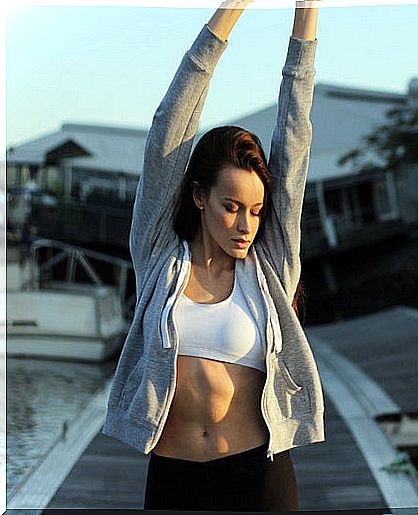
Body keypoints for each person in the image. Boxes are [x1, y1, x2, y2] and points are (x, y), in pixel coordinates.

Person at [100, 0, 325, 511]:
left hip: (257, 476)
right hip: (173, 476)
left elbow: (294, 136)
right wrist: (232, 11)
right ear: (199, 197)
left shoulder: (269, 266)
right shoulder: (159, 258)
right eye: (230, 207)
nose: (246, 225)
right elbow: (168, 128)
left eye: (255, 210)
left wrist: (305, 14)